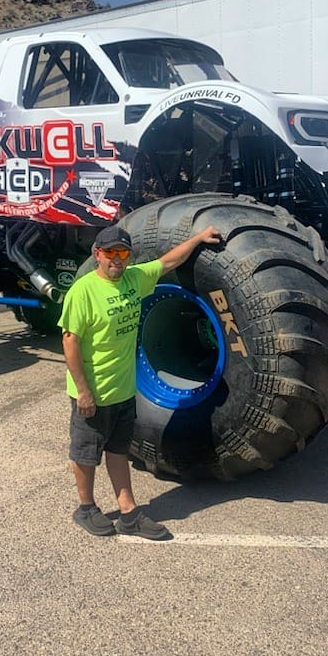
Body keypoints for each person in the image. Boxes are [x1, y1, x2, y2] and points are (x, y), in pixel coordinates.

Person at [58, 223, 221, 540]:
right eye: (110, 253)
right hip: (92, 392)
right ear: (97, 255)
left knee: (118, 450)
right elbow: (69, 341)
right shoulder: (84, 291)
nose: (117, 260)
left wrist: (199, 238)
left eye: (123, 253)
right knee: (86, 453)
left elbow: (168, 261)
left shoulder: (134, 278)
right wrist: (83, 391)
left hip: (122, 389)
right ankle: (86, 507)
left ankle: (129, 513)